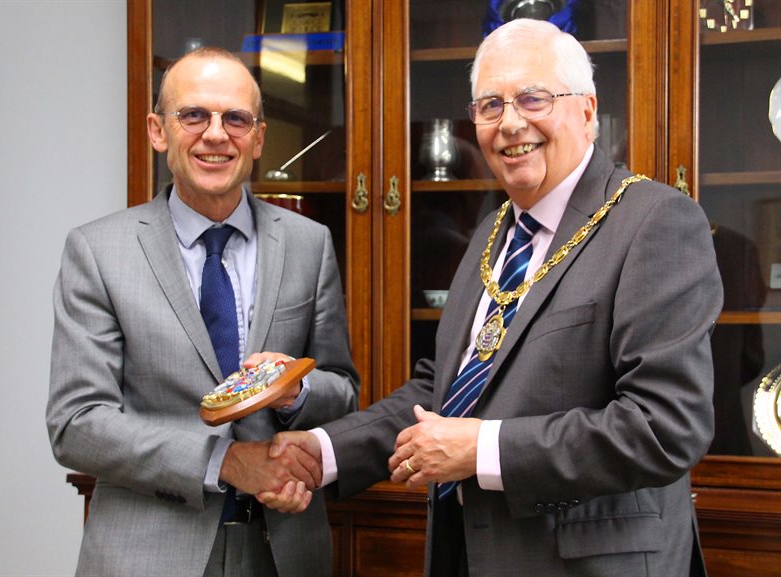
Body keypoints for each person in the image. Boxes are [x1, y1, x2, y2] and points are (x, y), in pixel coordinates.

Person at [269, 19, 722, 577]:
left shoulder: (653, 220)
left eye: (533, 98)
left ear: (587, 111)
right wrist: (323, 450)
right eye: (489, 106)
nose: (510, 123)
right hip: (470, 553)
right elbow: (440, 390)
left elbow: (664, 426)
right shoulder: (492, 233)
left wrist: (483, 450)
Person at [46, 46, 358, 577]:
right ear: (158, 130)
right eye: (194, 115)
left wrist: (295, 390)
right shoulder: (97, 251)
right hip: (148, 554)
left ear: (258, 138)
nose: (216, 134)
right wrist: (227, 463)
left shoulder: (309, 243)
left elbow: (343, 391)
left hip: (285, 549)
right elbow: (77, 424)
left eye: (236, 118)